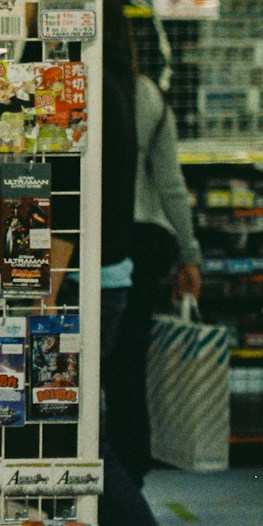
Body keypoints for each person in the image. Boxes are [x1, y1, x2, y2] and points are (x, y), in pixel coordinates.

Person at [46, 0, 163, 526]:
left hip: (85, 278)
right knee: (81, 424)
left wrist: (47, 286)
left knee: (81, 432)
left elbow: (73, 203)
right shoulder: (118, 90)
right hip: (108, 272)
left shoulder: (91, 95)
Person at [108, 57, 204, 487]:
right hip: (145, 237)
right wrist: (189, 254)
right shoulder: (145, 93)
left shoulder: (78, 83)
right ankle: (131, 472)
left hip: (88, 238)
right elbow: (170, 183)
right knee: (130, 363)